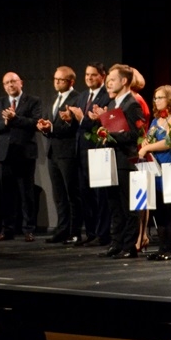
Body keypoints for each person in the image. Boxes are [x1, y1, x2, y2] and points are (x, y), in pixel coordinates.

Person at [91, 64, 147, 259]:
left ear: (124, 81)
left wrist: (110, 135)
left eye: (112, 80)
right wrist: (100, 123)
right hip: (112, 159)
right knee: (113, 204)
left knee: (128, 205)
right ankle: (116, 243)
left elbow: (136, 134)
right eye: (107, 81)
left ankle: (129, 246)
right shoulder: (114, 103)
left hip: (126, 160)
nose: (108, 84)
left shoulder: (132, 104)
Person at [0, 72, 41, 241]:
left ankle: (28, 229)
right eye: (6, 83)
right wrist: (5, 122)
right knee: (7, 194)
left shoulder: (33, 101)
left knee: (27, 193)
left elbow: (35, 123)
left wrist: (15, 118)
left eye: (13, 81)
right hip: (5, 153)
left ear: (21, 83)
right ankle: (7, 229)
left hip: (25, 153)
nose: (10, 85)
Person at [67, 62, 112, 246]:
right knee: (85, 195)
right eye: (87, 74)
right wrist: (70, 119)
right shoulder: (83, 96)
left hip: (98, 150)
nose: (89, 78)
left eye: (93, 75)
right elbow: (79, 125)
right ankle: (91, 232)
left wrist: (82, 119)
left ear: (103, 76)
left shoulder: (107, 96)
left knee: (100, 196)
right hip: (81, 152)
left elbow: (103, 124)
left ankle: (103, 234)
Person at [138, 85, 171, 260]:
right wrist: (145, 143)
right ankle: (161, 248)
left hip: (168, 165)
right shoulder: (156, 120)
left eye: (160, 97)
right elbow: (150, 140)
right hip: (154, 167)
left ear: (170, 99)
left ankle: (169, 249)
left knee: (167, 209)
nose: (156, 101)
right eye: (155, 98)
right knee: (158, 210)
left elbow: (170, 141)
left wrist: (148, 147)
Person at [37, 66, 80, 244]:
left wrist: (52, 127)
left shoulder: (76, 99)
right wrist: (44, 127)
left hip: (68, 152)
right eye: (55, 79)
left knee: (72, 194)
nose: (57, 83)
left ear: (71, 81)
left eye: (61, 80)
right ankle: (62, 230)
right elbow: (50, 122)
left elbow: (74, 126)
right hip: (53, 152)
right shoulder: (54, 99)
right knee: (59, 195)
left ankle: (74, 232)